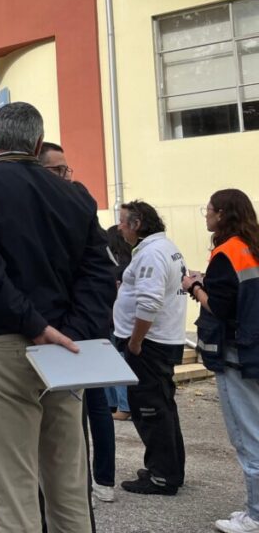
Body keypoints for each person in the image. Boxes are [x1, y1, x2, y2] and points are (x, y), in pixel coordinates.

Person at [0, 102, 114, 533]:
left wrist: (33, 325)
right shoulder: (76, 195)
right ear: (38, 144)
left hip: (7, 344)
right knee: (67, 483)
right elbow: (100, 273)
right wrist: (69, 331)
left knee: (13, 483)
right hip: (66, 348)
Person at [39, 141, 117, 506]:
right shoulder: (30, 208)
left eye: (67, 170)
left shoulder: (76, 203)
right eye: (58, 170)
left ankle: (100, 479)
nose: (66, 177)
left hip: (80, 332)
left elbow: (99, 271)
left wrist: (79, 328)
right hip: (52, 335)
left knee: (92, 409)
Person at [182, 189, 259, 533]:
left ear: (222, 214)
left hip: (235, 355)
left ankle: (256, 514)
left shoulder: (227, 253)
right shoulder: (251, 247)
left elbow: (221, 307)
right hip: (254, 348)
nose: (206, 216)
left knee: (248, 436)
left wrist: (194, 287)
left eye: (208, 210)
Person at [113, 200, 188, 496]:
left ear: (137, 223)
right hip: (159, 341)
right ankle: (169, 468)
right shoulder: (161, 248)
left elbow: (149, 301)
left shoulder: (152, 254)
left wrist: (135, 341)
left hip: (149, 345)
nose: (119, 227)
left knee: (151, 410)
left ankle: (162, 476)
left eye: (122, 221)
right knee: (163, 407)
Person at [104, 225, 134, 422]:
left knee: (110, 363)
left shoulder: (111, 267)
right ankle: (120, 405)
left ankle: (120, 405)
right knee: (121, 361)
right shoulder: (131, 263)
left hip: (111, 319)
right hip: (126, 320)